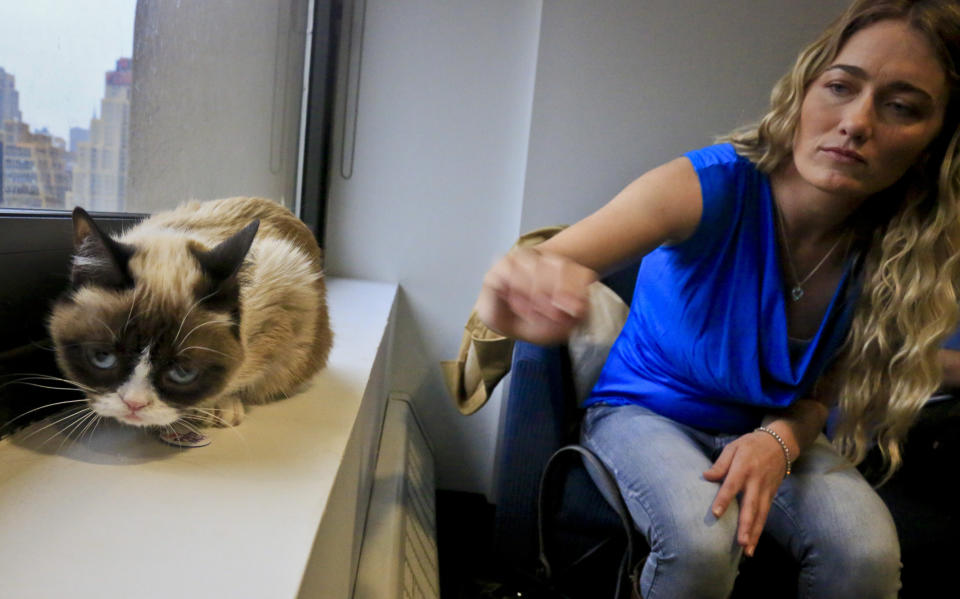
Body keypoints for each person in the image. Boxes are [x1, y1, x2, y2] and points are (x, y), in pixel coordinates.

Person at [475, 1, 960, 597]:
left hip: (769, 425)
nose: (857, 122)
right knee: (702, 543)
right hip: (643, 412)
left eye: (902, 107)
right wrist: (512, 294)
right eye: (840, 86)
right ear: (805, 91)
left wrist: (778, 441)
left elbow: (827, 385)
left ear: (937, 143)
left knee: (866, 555)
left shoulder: (902, 247)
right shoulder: (707, 185)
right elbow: (550, 262)